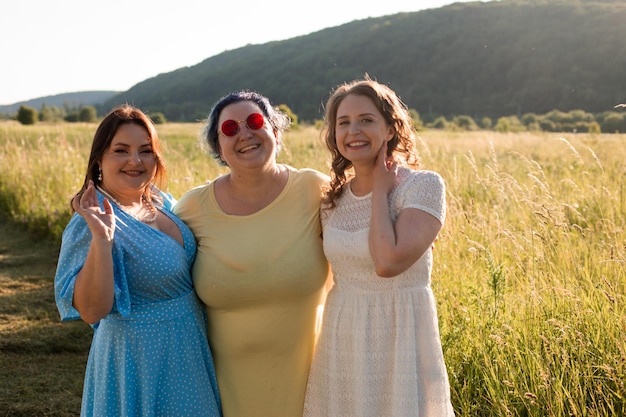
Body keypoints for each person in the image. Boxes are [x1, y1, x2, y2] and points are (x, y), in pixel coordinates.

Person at [54, 104, 222, 417]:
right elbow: (92, 310)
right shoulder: (89, 221)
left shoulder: (161, 201)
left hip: (188, 347)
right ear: (99, 160)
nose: (135, 161)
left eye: (145, 150)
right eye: (121, 150)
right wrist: (103, 241)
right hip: (138, 358)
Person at [303, 76, 455, 416]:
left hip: (400, 333)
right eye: (344, 123)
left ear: (390, 129)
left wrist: (381, 192)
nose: (353, 130)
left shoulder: (423, 187)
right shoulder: (332, 200)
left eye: (366, 120)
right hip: (343, 335)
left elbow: (387, 263)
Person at [173, 91, 330, 417]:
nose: (244, 133)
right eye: (229, 129)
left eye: (255, 122)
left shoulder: (315, 190)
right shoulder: (193, 208)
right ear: (218, 147)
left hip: (313, 385)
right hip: (225, 391)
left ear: (275, 130)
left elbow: (362, 228)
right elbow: (157, 261)